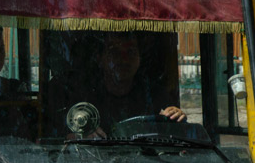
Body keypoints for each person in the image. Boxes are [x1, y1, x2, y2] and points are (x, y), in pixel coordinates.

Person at [47, 31, 185, 138]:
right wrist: (78, 137)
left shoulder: (154, 95)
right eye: (114, 52)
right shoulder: (80, 96)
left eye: (130, 52)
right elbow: (55, 140)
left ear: (139, 59)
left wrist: (176, 119)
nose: (124, 60)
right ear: (99, 59)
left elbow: (176, 138)